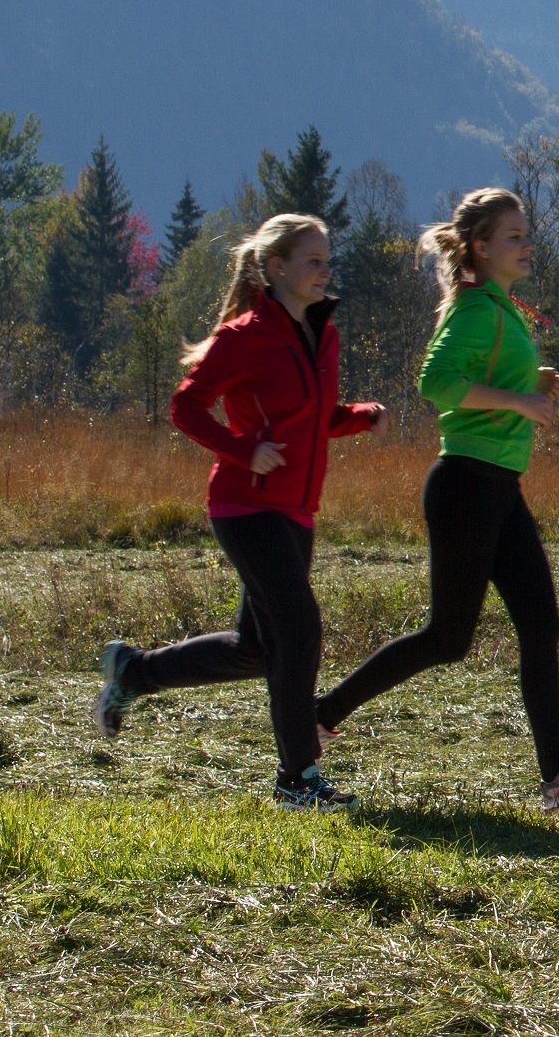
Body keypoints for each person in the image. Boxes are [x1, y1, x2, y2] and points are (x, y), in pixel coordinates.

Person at [313, 186, 559, 813]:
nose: (526, 243)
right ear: (480, 248)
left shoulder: (502, 307)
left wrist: (530, 382)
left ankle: (558, 776)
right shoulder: (476, 308)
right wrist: (519, 401)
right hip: (465, 487)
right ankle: (319, 715)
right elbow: (437, 383)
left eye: (524, 233)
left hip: (499, 486)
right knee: (447, 638)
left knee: (540, 622)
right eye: (514, 236)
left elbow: (478, 378)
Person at [92, 212, 384, 809]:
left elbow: (313, 420)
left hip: (297, 512)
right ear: (275, 268)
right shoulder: (243, 336)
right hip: (246, 507)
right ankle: (296, 780)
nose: (325, 270)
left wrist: (361, 416)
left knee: (258, 647)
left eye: (327, 259)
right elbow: (186, 407)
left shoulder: (321, 334)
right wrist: (244, 447)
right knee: (298, 631)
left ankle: (132, 673)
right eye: (312, 260)